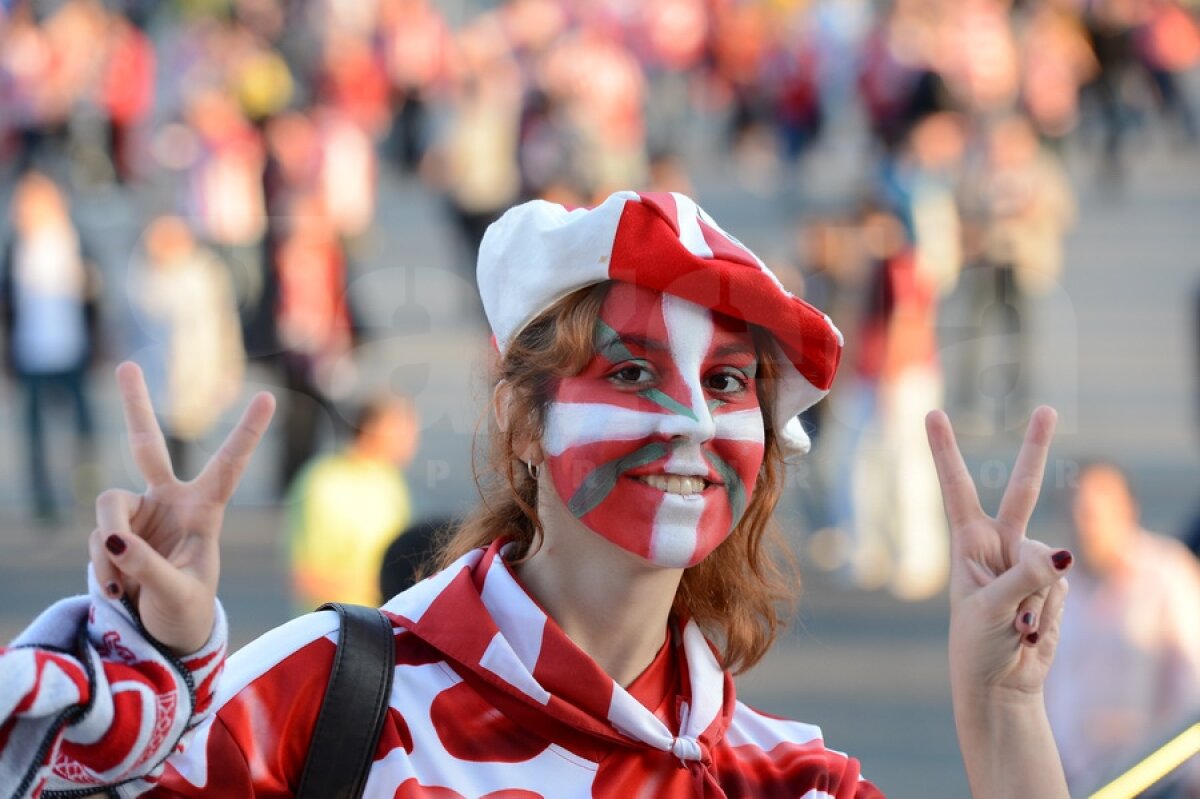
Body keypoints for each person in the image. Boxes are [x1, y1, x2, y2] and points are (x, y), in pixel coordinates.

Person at [2, 191, 1074, 798]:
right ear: (524, 422)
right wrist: (149, 679)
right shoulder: (323, 697)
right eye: (633, 371)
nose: (693, 423)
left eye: (727, 384)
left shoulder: (783, 779)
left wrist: (1004, 712)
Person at [1045, 462, 1200, 794]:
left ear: (1127, 510)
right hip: (1074, 778)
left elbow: (1192, 678)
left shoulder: (1166, 574)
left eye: (1093, 514)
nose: (1084, 527)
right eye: (1074, 513)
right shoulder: (1055, 585)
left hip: (1154, 776)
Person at [0, 170, 102, 521]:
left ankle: (85, 488)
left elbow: (93, 293)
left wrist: (96, 338)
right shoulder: (17, 246)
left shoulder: (75, 240)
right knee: (34, 431)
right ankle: (41, 497)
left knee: (83, 425)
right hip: (30, 350)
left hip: (72, 347)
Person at [286, 395, 419, 611]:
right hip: (334, 622)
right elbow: (307, 575)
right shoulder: (322, 482)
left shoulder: (389, 479)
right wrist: (383, 583)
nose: (410, 440)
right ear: (370, 429)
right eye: (401, 429)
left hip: (379, 619)